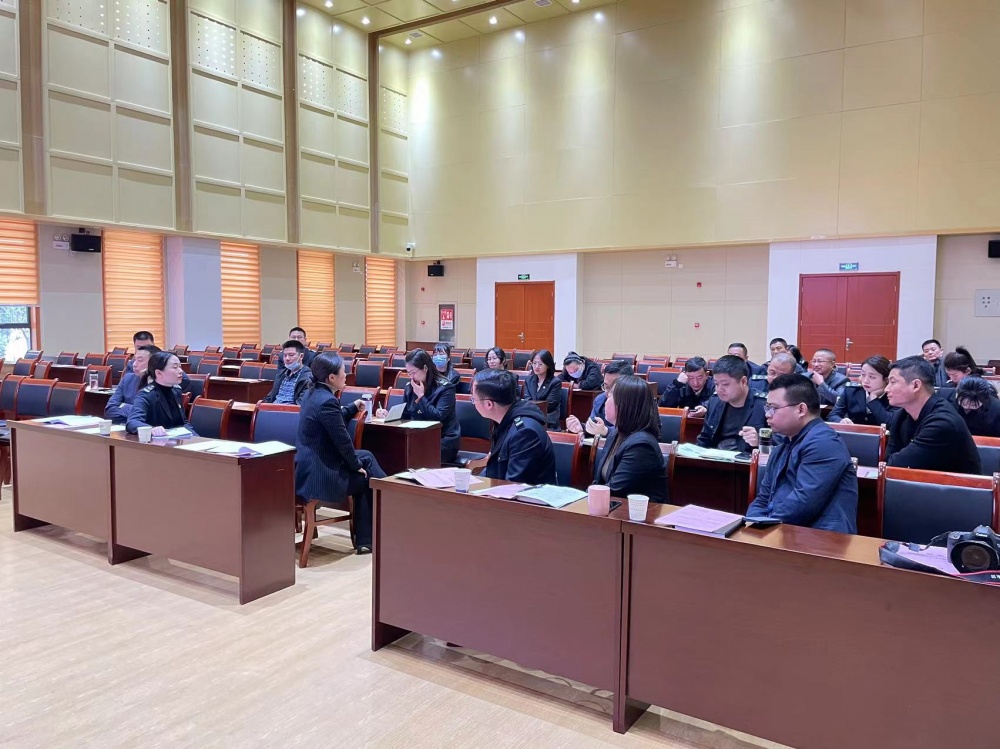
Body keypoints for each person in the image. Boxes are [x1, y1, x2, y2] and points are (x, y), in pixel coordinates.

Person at [294, 352, 385, 555]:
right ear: (332, 377)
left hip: (307, 470)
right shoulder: (327, 401)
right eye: (344, 371)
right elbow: (343, 442)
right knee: (365, 477)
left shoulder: (312, 394)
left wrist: (352, 407)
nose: (347, 375)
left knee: (367, 458)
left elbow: (331, 419)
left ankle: (368, 538)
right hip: (322, 478)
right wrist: (356, 466)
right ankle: (375, 526)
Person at [746, 374, 858, 534]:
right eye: (767, 407)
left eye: (773, 408)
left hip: (822, 539)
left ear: (801, 409)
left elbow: (804, 503)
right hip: (783, 530)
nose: (768, 414)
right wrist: (752, 522)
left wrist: (763, 524)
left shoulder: (824, 443)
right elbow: (763, 498)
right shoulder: (781, 447)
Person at [884, 356, 981, 474]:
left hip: (954, 484)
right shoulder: (902, 415)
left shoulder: (942, 422)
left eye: (893, 382)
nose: (886, 389)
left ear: (916, 385)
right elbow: (888, 461)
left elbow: (898, 463)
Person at [376, 348, 460, 463]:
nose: (411, 377)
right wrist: (388, 414)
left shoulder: (446, 388)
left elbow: (437, 417)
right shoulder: (410, 387)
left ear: (425, 368)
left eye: (413, 372)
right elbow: (406, 414)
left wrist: (421, 396)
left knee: (412, 455)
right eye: (408, 373)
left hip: (443, 440)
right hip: (418, 437)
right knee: (390, 450)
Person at [473, 369, 556, 484]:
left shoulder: (525, 433)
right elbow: (494, 468)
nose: (473, 403)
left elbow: (514, 486)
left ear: (489, 404)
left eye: (473, 399)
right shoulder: (504, 419)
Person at [593, 375, 667, 503]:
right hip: (612, 506)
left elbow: (616, 490)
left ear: (625, 405)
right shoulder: (615, 433)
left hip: (639, 512)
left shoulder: (642, 445)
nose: (605, 398)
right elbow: (599, 482)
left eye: (610, 396)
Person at [697, 355, 767, 452]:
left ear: (743, 381)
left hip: (748, 459)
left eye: (725, 384)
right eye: (716, 384)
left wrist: (760, 441)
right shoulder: (715, 401)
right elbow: (705, 438)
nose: (719, 389)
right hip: (716, 457)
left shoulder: (764, 405)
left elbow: (779, 443)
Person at [126, 352, 197, 436]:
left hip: (176, 440)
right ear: (159, 373)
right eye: (175, 367)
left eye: (180, 367)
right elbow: (132, 422)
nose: (181, 371)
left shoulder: (176, 390)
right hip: (156, 442)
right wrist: (151, 429)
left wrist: (196, 438)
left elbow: (183, 422)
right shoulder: (146, 395)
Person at [566, 360, 633, 437]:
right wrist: (582, 427)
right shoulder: (600, 399)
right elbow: (593, 423)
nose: (608, 392)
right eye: (606, 387)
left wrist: (606, 431)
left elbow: (633, 432)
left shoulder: (636, 402)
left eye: (614, 388)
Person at [828, 355, 895, 426]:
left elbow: (891, 423)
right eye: (863, 375)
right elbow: (833, 415)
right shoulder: (851, 391)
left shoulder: (894, 396)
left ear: (886, 380)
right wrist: (840, 421)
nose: (865, 381)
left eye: (872, 377)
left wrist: (873, 399)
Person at [105, 345, 159, 424]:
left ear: (153, 363)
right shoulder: (127, 379)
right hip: (127, 427)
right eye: (134, 360)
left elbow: (156, 416)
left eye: (140, 360)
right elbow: (109, 410)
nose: (134, 364)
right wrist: (139, 411)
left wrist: (124, 406)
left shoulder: (162, 383)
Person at [261, 340, 314, 405]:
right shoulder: (281, 374)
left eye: (291, 355)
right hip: (273, 407)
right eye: (285, 355)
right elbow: (271, 397)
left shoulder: (307, 377)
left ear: (301, 356)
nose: (287, 358)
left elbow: (300, 405)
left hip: (289, 410)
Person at [524, 348, 562, 430]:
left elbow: (549, 405)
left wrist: (531, 411)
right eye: (534, 363)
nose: (536, 366)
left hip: (548, 421)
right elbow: (527, 400)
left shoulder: (555, 382)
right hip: (531, 418)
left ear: (548, 365)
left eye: (540, 364)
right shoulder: (529, 380)